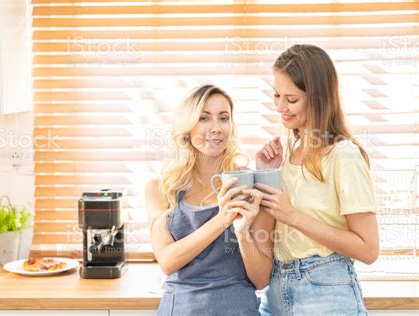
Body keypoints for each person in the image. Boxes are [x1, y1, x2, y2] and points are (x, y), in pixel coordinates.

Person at [254, 44, 379, 315]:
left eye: (291, 99)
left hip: (325, 290)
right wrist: (267, 174)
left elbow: (368, 249)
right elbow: (267, 234)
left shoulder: (343, 155)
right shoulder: (285, 153)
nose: (279, 107)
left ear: (318, 97)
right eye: (276, 96)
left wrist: (293, 215)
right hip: (275, 290)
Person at [145, 85, 274, 316]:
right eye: (204, 118)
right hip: (180, 309)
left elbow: (261, 279)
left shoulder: (249, 185)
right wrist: (223, 219)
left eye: (224, 118)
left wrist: (242, 231)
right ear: (187, 127)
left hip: (237, 309)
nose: (216, 128)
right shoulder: (160, 189)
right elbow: (167, 261)